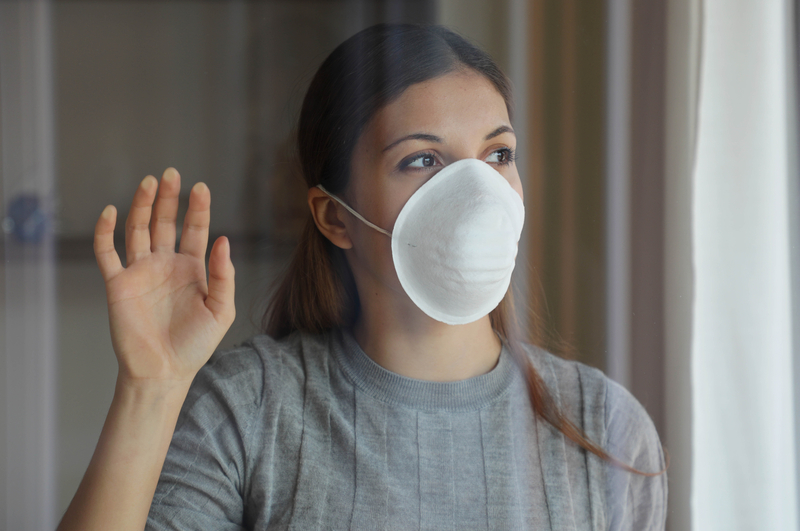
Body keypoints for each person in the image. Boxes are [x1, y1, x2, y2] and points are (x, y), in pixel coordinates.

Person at [57, 23, 667, 531]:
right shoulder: (248, 411)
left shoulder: (605, 428)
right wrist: (151, 388)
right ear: (334, 217)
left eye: (498, 154)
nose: (478, 193)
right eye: (422, 160)